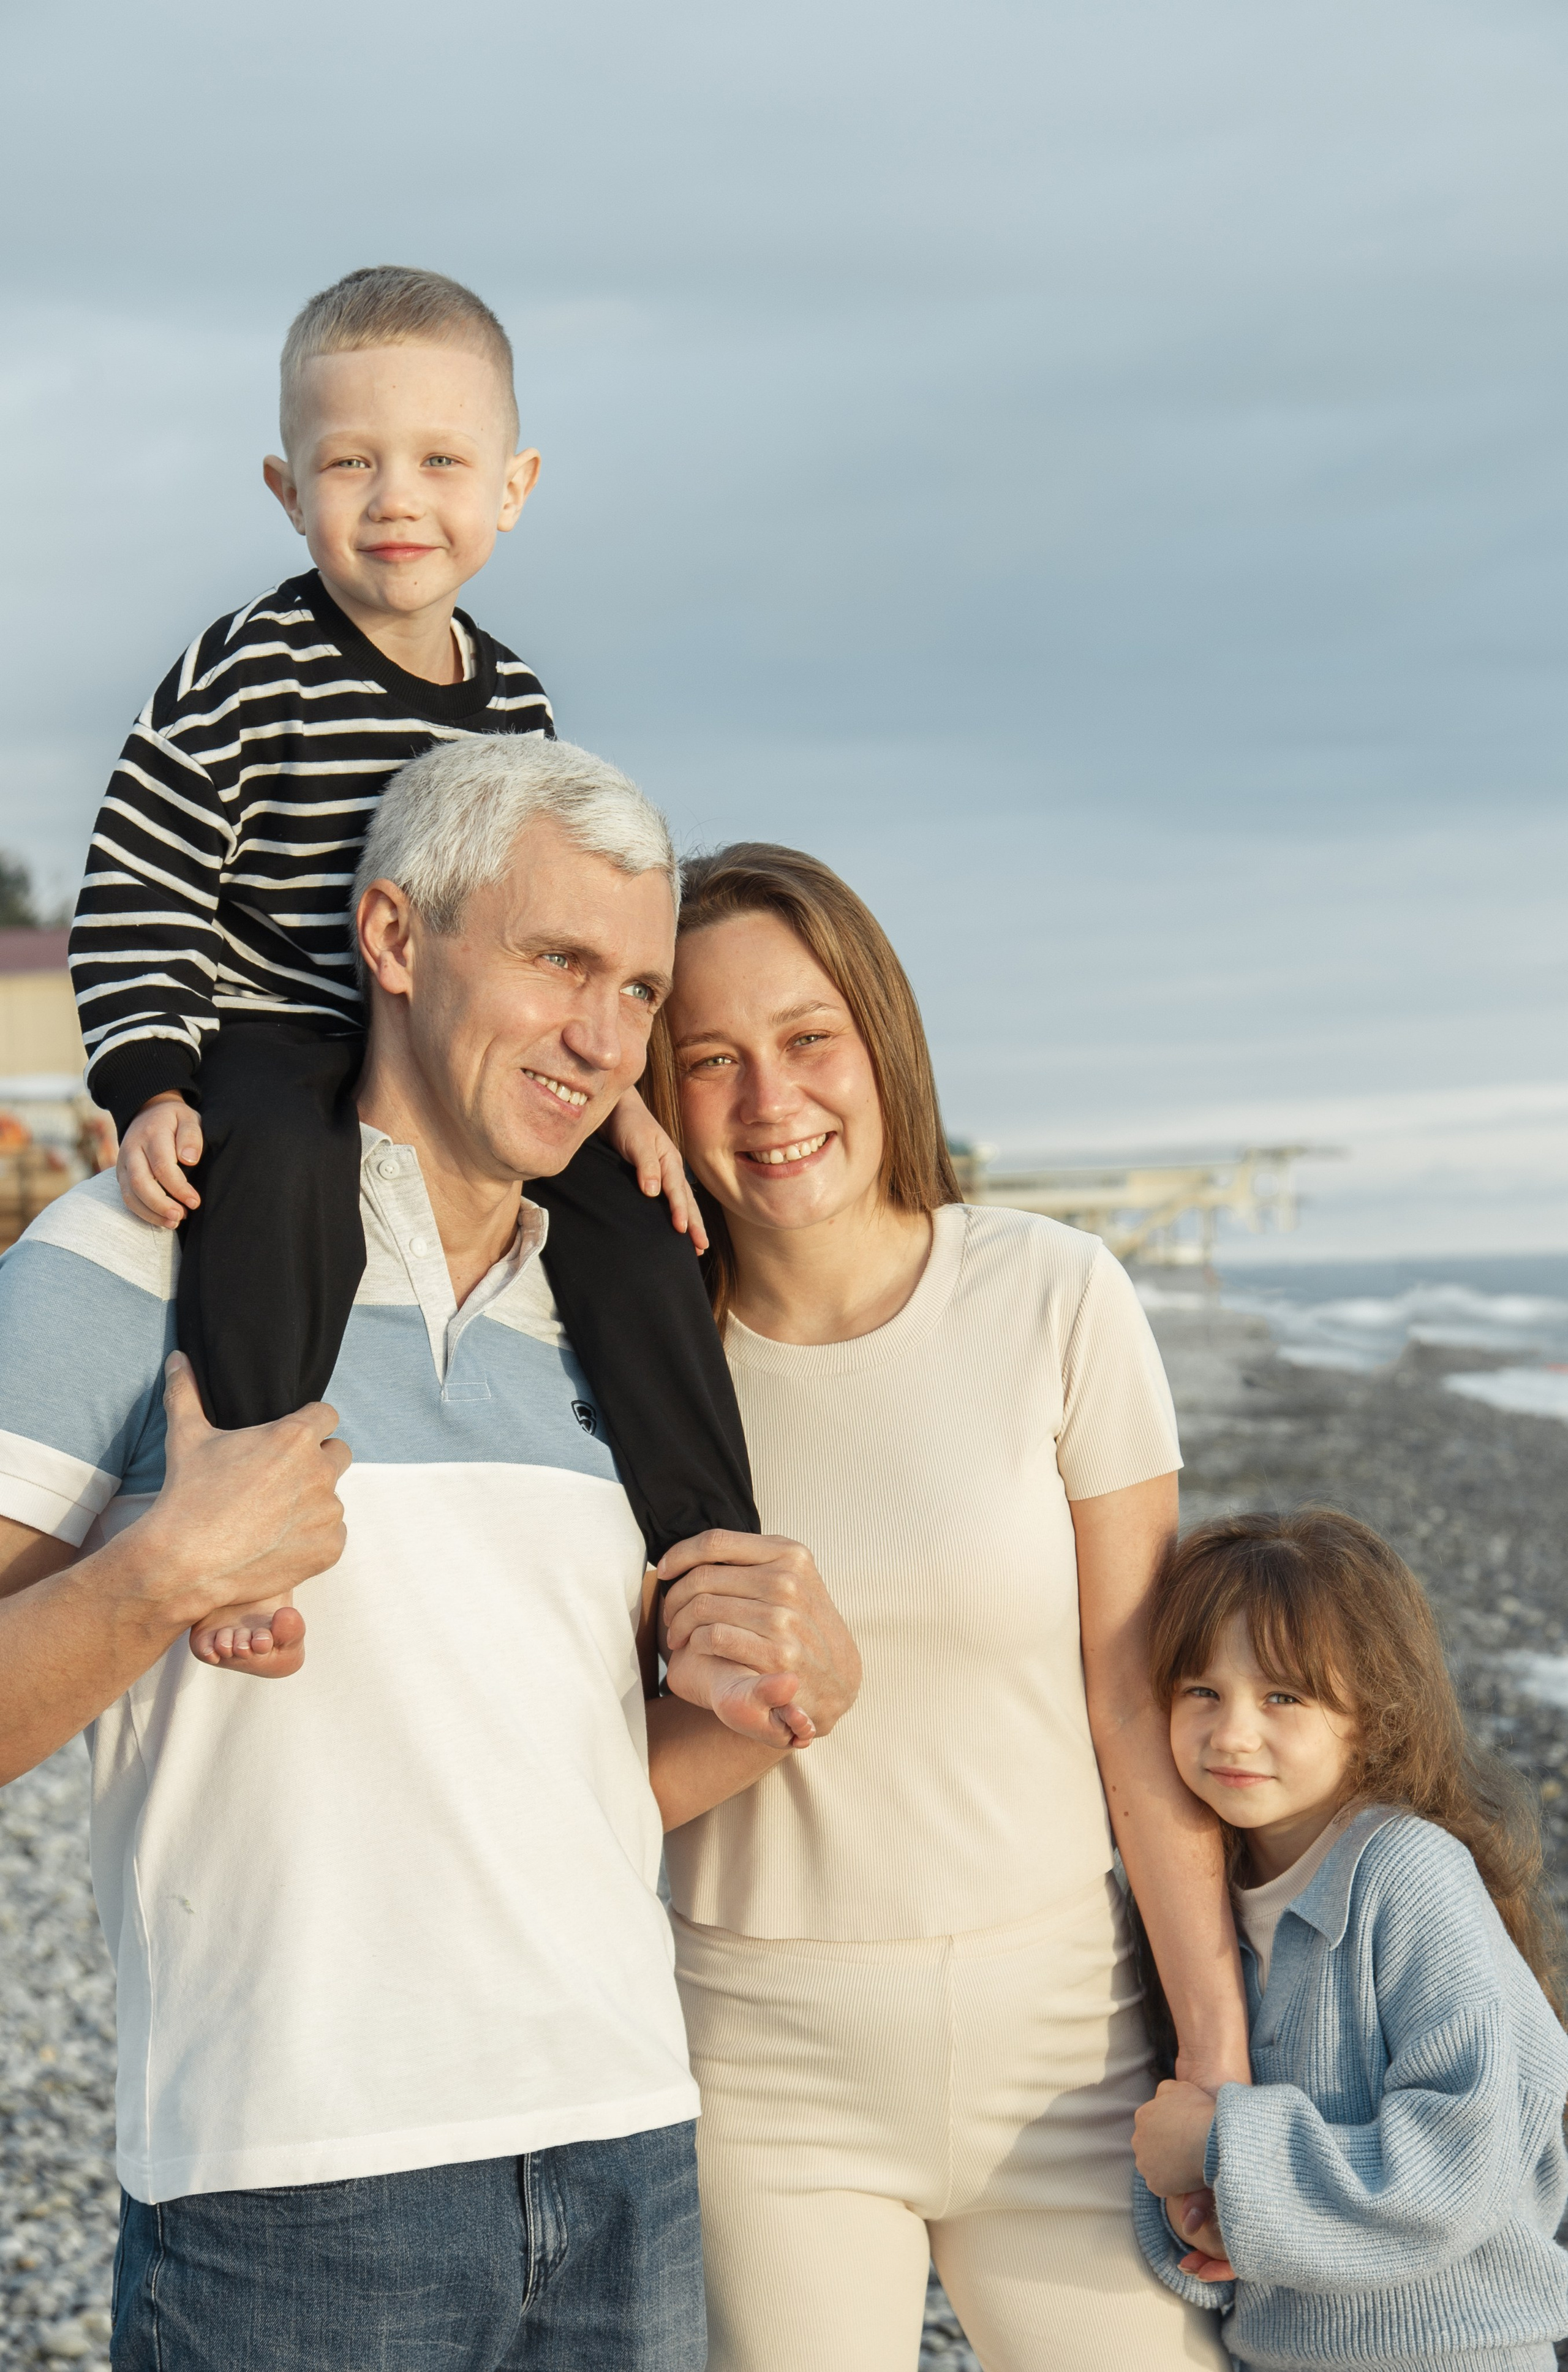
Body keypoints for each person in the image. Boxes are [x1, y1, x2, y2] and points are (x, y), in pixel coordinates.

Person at [0, 745, 860, 2370]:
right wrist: (157, 1575)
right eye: (557, 961)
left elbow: (582, 1772)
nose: (603, 1037)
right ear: (394, 938)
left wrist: (798, 1688)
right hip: (284, 2194)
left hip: (624, 2151)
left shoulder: (624, 1308)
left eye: (638, 990)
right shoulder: (144, 1251)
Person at [642, 842, 1244, 2371]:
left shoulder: (1054, 1295)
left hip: (1072, 2049)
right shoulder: (635, 1372)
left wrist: (1216, 2054)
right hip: (760, 2068)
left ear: (882, 1040)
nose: (769, 1100)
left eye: (806, 1038)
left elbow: (1136, 1710)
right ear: (655, 1093)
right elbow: (598, 1753)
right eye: (707, 1059)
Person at [67, 262, 757, 1568]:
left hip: (458, 1051)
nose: (397, 498)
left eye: (442, 460)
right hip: (271, 1028)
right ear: (287, 491)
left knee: (640, 1231)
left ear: (512, 488)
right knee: (273, 1184)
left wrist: (616, 1097)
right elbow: (140, 888)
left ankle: (712, 1554)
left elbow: (559, 924)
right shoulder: (241, 674)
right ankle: (246, 1512)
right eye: (351, 463)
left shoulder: (515, 700)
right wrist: (151, 1082)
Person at [1130, 1509, 1568, 2369]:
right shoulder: (1184, 1900)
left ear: (1374, 1713)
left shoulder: (1408, 1872)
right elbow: (1186, 2183)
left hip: (1455, 2353)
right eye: (1201, 1692)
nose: (1233, 1733)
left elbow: (1463, 2161)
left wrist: (1221, 2149)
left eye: (1283, 1697)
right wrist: (1197, 2209)